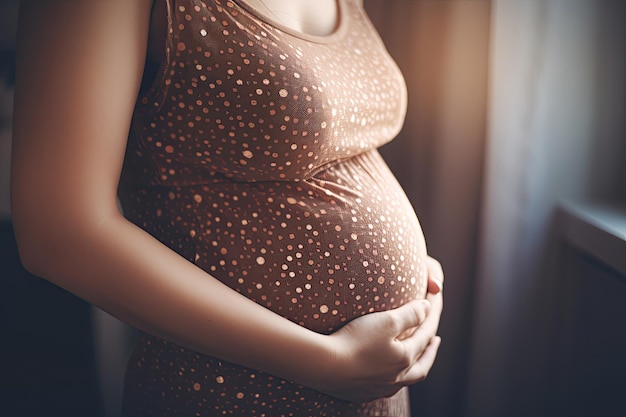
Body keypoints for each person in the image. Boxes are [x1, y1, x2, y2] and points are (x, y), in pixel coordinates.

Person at [11, 0, 444, 415]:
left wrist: (409, 276)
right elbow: (59, 232)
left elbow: (332, 137)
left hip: (371, 390)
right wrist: (329, 361)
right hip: (236, 393)